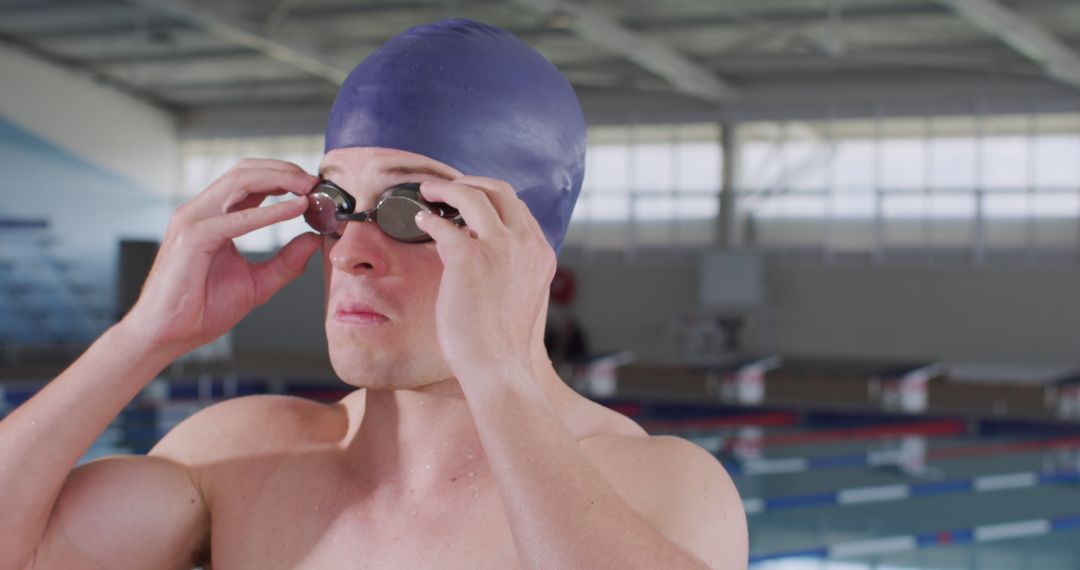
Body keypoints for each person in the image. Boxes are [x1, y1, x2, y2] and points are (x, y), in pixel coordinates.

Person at [0, 19, 747, 569]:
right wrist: (141, 339)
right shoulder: (240, 458)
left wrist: (496, 374)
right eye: (333, 206)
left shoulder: (657, 484)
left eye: (412, 212)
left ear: (528, 246)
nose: (352, 252)